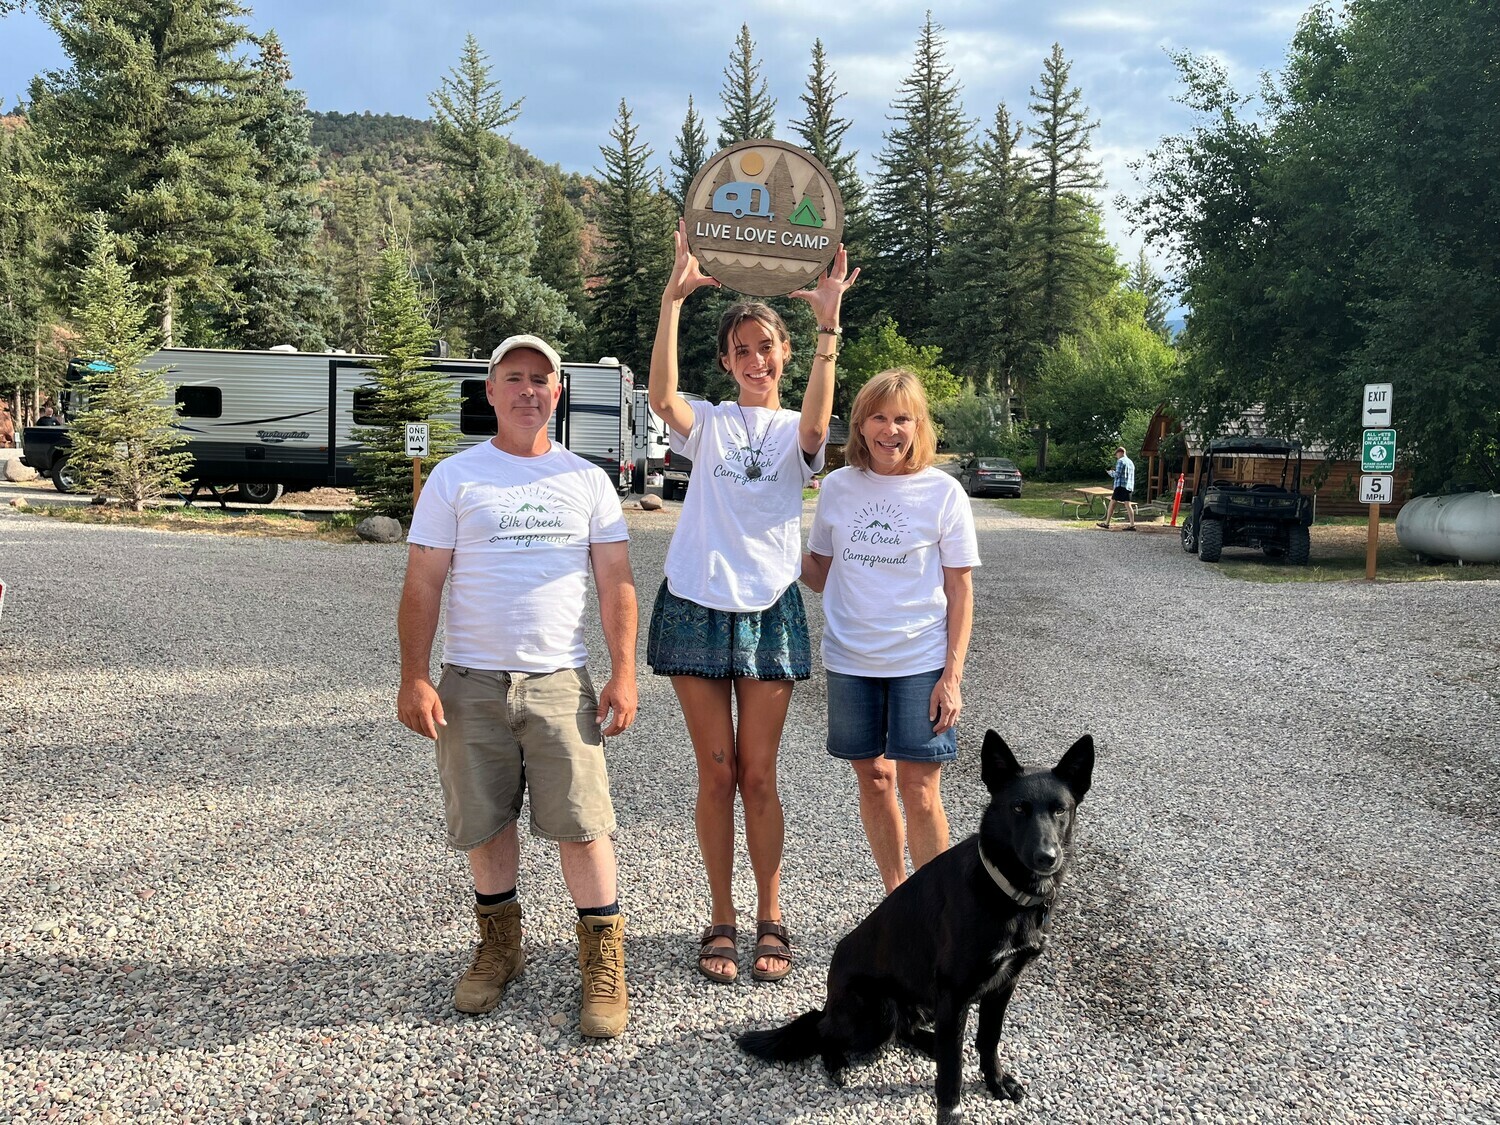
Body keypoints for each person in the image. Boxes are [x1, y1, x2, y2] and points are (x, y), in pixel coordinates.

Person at [397, 333, 639, 1038]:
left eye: (540, 378)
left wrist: (624, 672)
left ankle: (603, 963)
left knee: (583, 826)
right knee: (486, 822)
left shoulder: (587, 480)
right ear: (491, 391)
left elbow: (616, 581)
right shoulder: (455, 477)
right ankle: (501, 947)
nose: (528, 389)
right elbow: (423, 582)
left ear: (557, 393)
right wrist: (415, 676)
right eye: (514, 377)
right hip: (470, 680)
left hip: (560, 680)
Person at [647, 219, 858, 984]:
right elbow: (662, 396)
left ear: (784, 353)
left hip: (768, 609)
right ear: (728, 362)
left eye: (765, 347)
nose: (754, 359)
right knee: (716, 773)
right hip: (696, 601)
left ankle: (772, 913)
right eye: (741, 350)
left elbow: (818, 423)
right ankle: (721, 916)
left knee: (758, 775)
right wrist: (672, 301)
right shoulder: (708, 423)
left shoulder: (797, 434)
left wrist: (829, 324)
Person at [801, 370, 979, 894]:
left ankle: (935, 908)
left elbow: (960, 591)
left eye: (902, 418)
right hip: (850, 660)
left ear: (919, 425)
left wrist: (952, 676)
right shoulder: (838, 487)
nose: (890, 429)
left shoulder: (943, 493)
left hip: (919, 662)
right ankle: (896, 899)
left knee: (920, 789)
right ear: (860, 424)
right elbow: (819, 573)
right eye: (878, 417)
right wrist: (773, 538)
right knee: (875, 780)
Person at [1098, 444, 1137, 530]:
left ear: (1120, 452)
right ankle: (1132, 524)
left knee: (1112, 504)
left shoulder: (1121, 461)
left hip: (1120, 486)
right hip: (1129, 486)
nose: (1116, 456)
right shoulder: (1131, 462)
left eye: (1116, 454)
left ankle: (1107, 523)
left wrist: (1110, 472)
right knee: (1128, 505)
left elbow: (1117, 475)